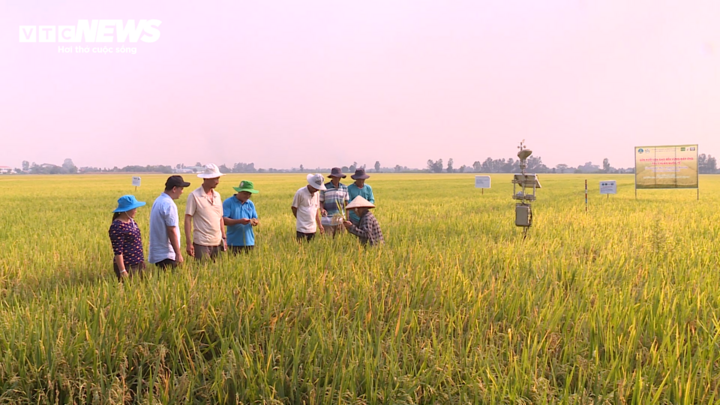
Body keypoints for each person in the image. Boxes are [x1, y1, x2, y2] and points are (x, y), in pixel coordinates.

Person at [185, 163, 227, 261]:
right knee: (202, 271)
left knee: (217, 272)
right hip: (201, 243)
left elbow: (220, 217)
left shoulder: (217, 196)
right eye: (215, 179)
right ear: (206, 178)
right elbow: (187, 219)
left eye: (218, 179)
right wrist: (188, 243)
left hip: (217, 241)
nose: (217, 182)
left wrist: (224, 238)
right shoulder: (194, 196)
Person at [148, 175, 190, 269]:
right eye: (181, 188)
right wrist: (178, 254)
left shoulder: (159, 200)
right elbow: (171, 230)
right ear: (174, 189)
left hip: (159, 252)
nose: (182, 192)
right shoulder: (169, 204)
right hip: (167, 254)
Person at [109, 195, 146, 280]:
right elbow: (118, 251)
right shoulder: (117, 226)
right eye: (134, 209)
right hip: (128, 266)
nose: (136, 211)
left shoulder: (131, 221)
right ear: (126, 210)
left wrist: (141, 261)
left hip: (138, 263)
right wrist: (122, 270)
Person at [223, 180, 260, 254]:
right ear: (239, 191)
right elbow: (223, 220)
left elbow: (255, 218)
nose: (247, 196)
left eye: (249, 194)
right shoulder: (228, 202)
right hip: (233, 242)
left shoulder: (250, 204)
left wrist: (255, 222)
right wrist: (239, 221)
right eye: (245, 193)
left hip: (249, 242)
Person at [291, 173, 325, 241]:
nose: (317, 190)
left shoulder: (317, 194)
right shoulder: (300, 192)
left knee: (311, 248)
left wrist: (320, 226)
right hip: (301, 229)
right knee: (301, 248)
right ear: (311, 184)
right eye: (316, 187)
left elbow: (316, 211)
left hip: (313, 229)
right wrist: (300, 218)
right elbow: (294, 208)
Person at [319, 167, 349, 237]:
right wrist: (322, 209)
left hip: (341, 220)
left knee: (341, 242)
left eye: (339, 177)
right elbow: (320, 201)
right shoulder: (325, 187)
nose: (337, 179)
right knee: (328, 242)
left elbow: (347, 204)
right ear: (332, 177)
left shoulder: (344, 188)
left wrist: (347, 219)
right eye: (335, 177)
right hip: (327, 220)